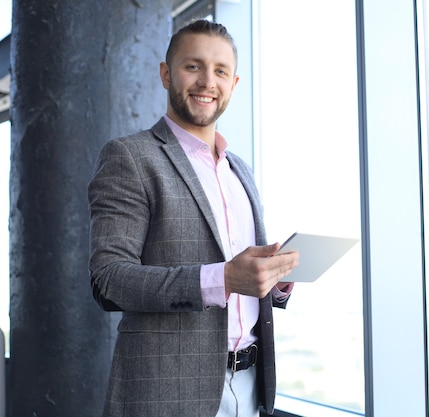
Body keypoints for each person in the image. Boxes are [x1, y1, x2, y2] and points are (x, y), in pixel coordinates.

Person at [88, 20, 299, 417]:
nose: (207, 81)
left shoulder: (241, 171)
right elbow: (109, 280)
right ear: (166, 74)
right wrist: (222, 278)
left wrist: (274, 282)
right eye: (193, 66)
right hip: (168, 395)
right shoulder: (130, 157)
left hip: (252, 388)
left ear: (234, 85)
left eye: (220, 71)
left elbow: (244, 283)